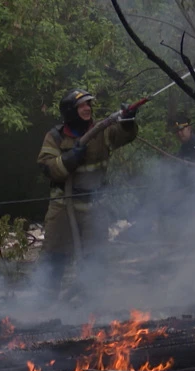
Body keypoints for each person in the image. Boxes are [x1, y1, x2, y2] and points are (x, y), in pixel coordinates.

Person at [36, 89, 138, 302]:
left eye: (89, 105)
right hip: (63, 207)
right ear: (70, 111)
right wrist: (68, 160)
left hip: (94, 207)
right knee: (54, 258)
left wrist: (128, 120)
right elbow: (47, 167)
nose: (87, 109)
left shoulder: (101, 131)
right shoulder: (55, 137)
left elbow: (125, 135)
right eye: (82, 106)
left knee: (96, 260)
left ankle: (91, 310)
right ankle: (43, 307)